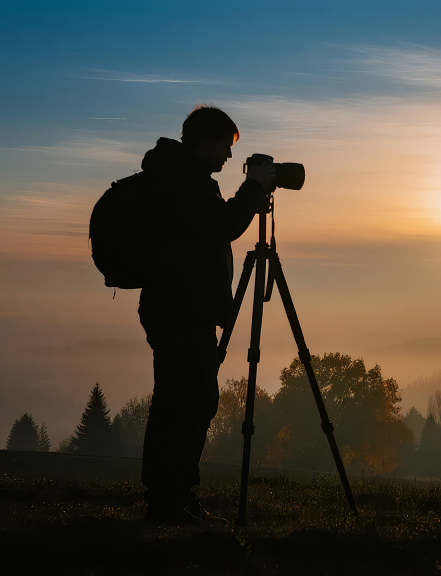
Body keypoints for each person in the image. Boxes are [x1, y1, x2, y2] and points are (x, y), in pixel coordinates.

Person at [137, 106, 274, 523]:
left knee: (184, 402)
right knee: (185, 404)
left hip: (179, 308)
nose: (229, 158)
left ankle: (172, 497)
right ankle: (169, 501)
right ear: (206, 140)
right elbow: (224, 225)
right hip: (180, 311)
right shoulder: (181, 182)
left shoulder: (180, 177)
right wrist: (253, 191)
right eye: (225, 147)